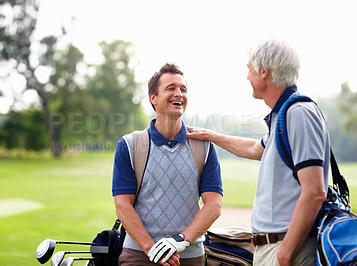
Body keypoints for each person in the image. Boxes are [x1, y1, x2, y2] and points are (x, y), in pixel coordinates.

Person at [187, 39, 329, 266]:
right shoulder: (284, 114)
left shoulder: (298, 113)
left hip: (287, 250)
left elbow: (314, 192)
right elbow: (255, 149)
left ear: (264, 72)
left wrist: (284, 255)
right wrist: (211, 136)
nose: (247, 76)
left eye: (249, 69)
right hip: (276, 248)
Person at [112, 63, 223, 265]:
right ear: (153, 98)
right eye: (171, 88)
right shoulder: (129, 145)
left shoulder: (204, 147)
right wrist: (151, 248)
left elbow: (214, 205)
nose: (179, 93)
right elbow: (122, 205)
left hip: (189, 256)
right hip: (139, 255)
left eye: (183, 89)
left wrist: (180, 240)